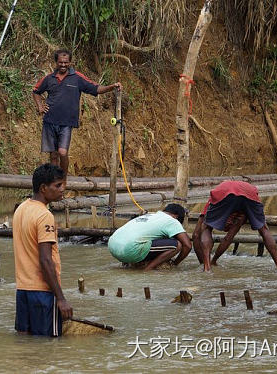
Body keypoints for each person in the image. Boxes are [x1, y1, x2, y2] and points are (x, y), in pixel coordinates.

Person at [32, 48, 121, 178]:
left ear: (70, 63)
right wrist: (40, 106)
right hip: (50, 121)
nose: (63, 65)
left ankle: (63, 180)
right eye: (60, 62)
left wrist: (111, 87)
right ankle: (54, 184)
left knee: (62, 152)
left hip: (67, 123)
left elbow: (95, 88)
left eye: (66, 62)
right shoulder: (49, 78)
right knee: (53, 155)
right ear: (56, 62)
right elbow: (35, 91)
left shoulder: (77, 78)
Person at [13, 163, 72, 337]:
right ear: (43, 188)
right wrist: (60, 298)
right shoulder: (45, 216)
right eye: (58, 185)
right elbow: (45, 260)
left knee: (25, 342)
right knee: (48, 349)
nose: (63, 189)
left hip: (23, 290)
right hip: (43, 292)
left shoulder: (21, 209)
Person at [192, 180, 277, 272]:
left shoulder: (235, 214)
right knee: (264, 229)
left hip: (226, 191)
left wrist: (205, 262)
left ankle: (207, 268)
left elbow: (196, 235)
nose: (228, 227)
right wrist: (213, 260)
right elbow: (228, 238)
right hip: (250, 192)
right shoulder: (241, 215)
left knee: (206, 227)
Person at [108, 204, 192, 271]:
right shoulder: (172, 220)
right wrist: (175, 264)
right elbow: (187, 245)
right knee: (177, 245)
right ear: (176, 217)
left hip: (112, 246)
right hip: (129, 249)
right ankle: (148, 269)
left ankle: (129, 265)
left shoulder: (149, 216)